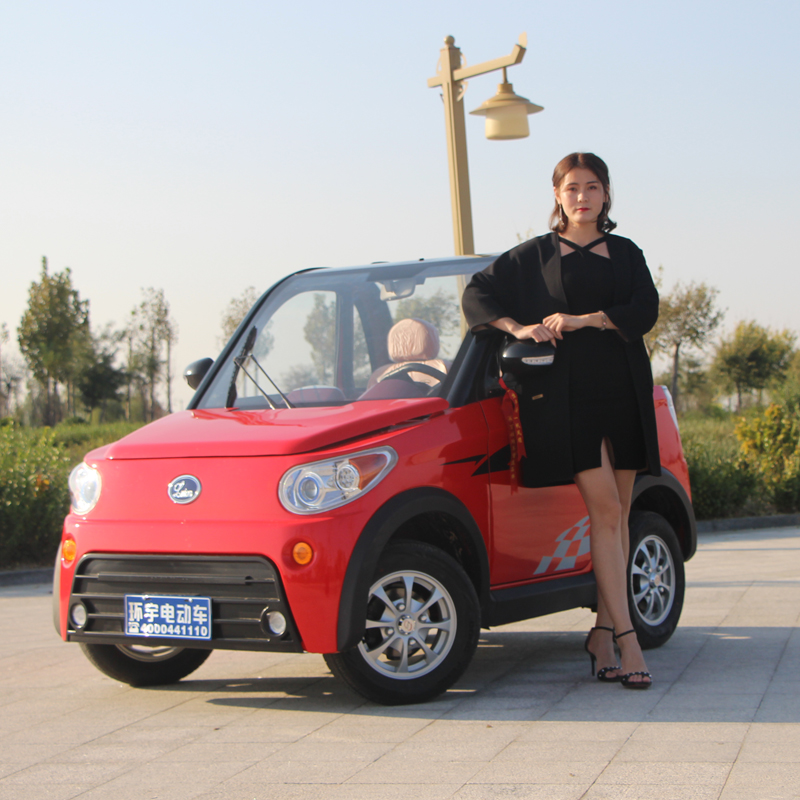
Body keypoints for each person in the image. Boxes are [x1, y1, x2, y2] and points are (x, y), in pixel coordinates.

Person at [462, 152, 659, 689]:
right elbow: (478, 291)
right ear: (557, 195)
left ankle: (602, 633)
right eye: (572, 188)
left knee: (620, 514)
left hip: (624, 390)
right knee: (606, 510)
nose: (582, 197)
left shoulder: (626, 252)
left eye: (592, 187)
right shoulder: (535, 255)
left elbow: (645, 310)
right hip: (570, 397)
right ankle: (628, 639)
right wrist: (518, 328)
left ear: (606, 194)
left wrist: (586, 319)